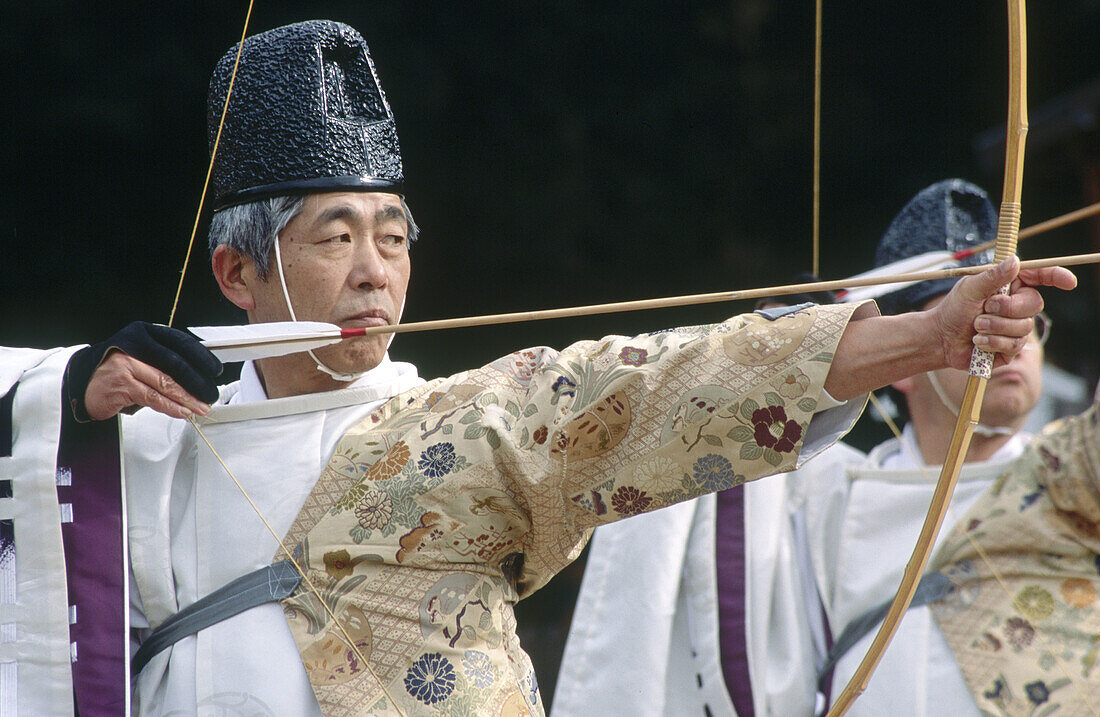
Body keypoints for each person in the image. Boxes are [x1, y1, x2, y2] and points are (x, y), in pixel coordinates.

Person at [0, 23, 1071, 717]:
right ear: (237, 270)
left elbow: (652, 383)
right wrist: (70, 394)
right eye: (335, 238)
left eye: (392, 237)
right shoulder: (142, 433)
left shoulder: (455, 429)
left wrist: (924, 338)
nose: (374, 271)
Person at [553, 179, 1066, 717]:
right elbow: (708, 459)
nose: (1013, 342)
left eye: (1022, 321)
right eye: (981, 320)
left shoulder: (1074, 478)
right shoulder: (824, 496)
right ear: (906, 367)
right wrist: (784, 349)